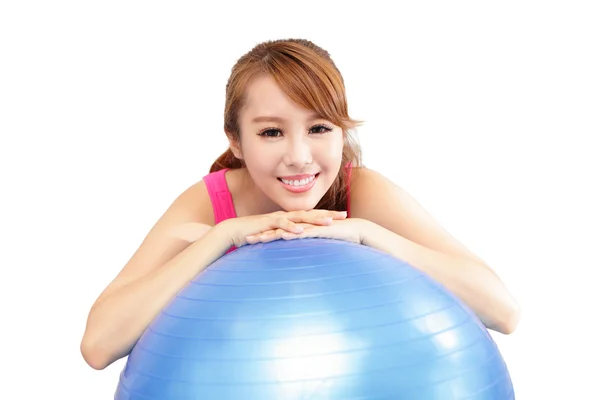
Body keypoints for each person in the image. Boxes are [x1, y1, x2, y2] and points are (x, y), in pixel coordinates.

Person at [80, 38, 520, 370]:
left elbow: (502, 311)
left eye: (320, 128)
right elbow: (98, 347)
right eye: (271, 132)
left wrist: (368, 234)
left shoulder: (361, 192)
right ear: (236, 140)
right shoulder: (210, 202)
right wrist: (223, 236)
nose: (299, 156)